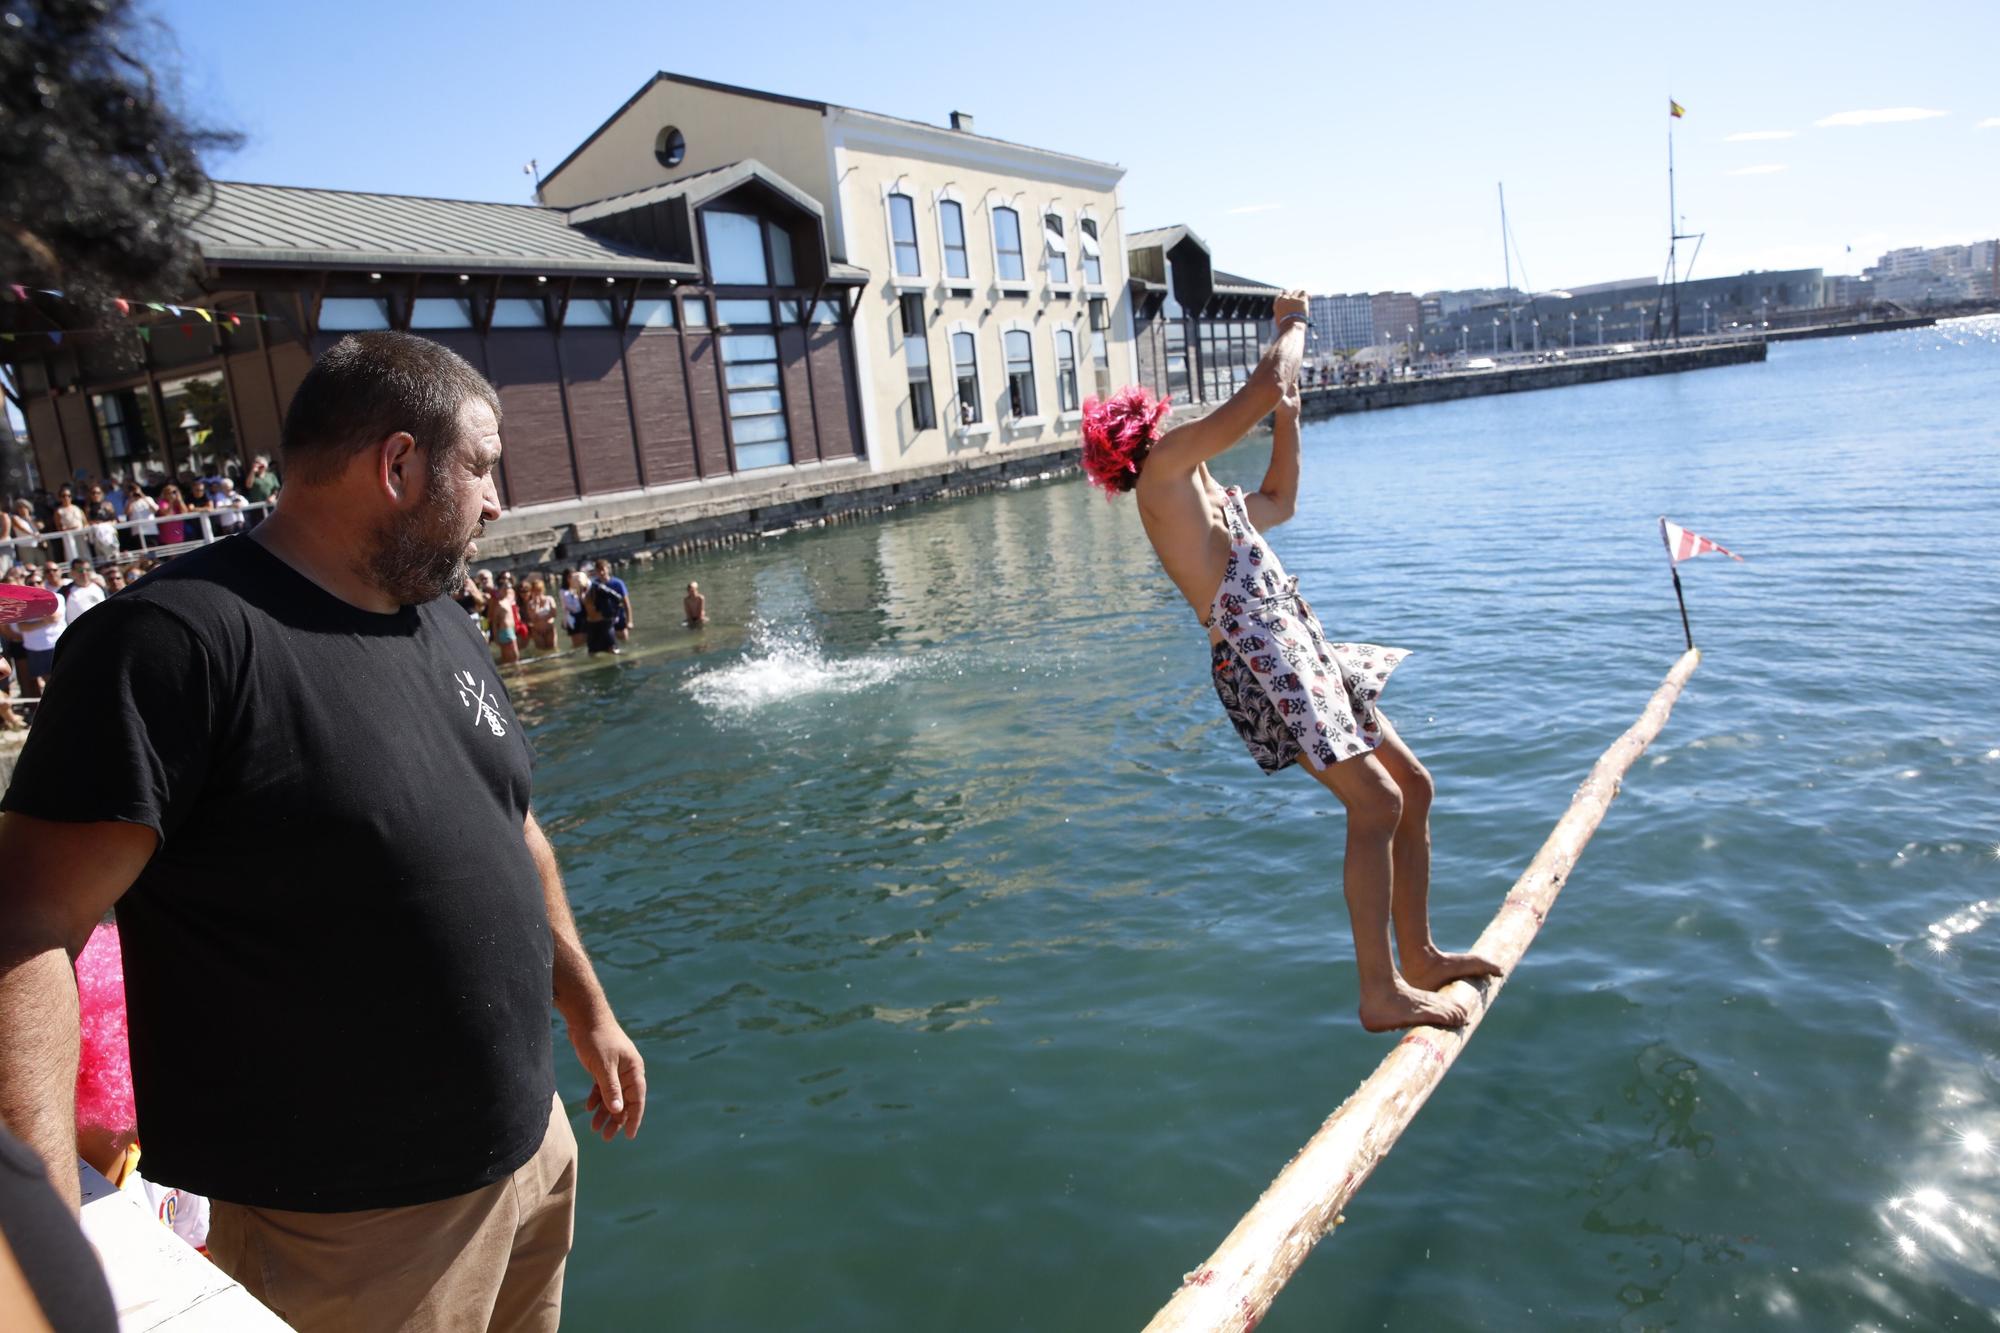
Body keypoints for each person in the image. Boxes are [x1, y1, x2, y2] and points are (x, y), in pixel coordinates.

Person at [0, 330, 645, 1333]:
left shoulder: (439, 617)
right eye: (478, 466)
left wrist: (588, 1009)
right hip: (350, 1232)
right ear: (397, 465)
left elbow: (511, 825)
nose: (495, 499)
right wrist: (35, 1235)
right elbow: (27, 923)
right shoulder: (173, 643)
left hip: (531, 1152)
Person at [1081, 288, 1500, 1034]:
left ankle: (1422, 954)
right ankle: (1381, 990)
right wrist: (1292, 325)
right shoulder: (1165, 473)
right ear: (1147, 430)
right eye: (1166, 411)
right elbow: (1268, 380)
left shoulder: (1210, 496)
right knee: (1376, 802)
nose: (1179, 415)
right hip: (1260, 655)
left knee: (1413, 785)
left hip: (1300, 644)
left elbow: (1281, 499)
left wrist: (1291, 419)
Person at [583, 564, 626, 656]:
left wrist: (615, 614)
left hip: (604, 622)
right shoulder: (581, 590)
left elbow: (618, 598)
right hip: (591, 625)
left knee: (612, 650)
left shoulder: (598, 587)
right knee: (592, 652)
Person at [592, 558, 633, 641]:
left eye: (603, 570)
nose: (601, 573)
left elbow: (626, 603)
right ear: (596, 572)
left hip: (618, 616)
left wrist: (629, 621)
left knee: (623, 638)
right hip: (603, 618)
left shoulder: (617, 583)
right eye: (599, 571)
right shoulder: (595, 585)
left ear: (608, 569)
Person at [489, 569, 522, 666]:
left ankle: (512, 671)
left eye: (508, 588)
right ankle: (516, 672)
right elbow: (494, 621)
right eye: (505, 589)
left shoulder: (507, 601)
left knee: (511, 655)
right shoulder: (499, 604)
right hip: (504, 631)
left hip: (510, 630)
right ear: (500, 590)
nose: (507, 590)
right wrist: (495, 636)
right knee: (514, 655)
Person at [521, 574, 558, 652]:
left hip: (549, 629)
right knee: (541, 651)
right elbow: (533, 619)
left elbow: (554, 614)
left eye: (539, 590)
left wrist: (542, 618)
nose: (537, 593)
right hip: (537, 631)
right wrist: (537, 605)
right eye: (535, 591)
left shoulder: (549, 599)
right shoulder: (530, 604)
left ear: (542, 590)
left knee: (553, 650)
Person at [121, 482, 157, 552]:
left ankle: (153, 562)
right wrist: (131, 499)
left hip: (150, 530)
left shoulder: (148, 499)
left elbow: (154, 510)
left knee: (152, 552)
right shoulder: (129, 502)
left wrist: (142, 495)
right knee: (142, 553)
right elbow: (127, 513)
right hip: (137, 532)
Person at [561, 568, 588, 649]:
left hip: (584, 614)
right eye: (570, 577)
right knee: (578, 643)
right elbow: (571, 606)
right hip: (573, 617)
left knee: (587, 639)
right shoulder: (564, 591)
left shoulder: (581, 587)